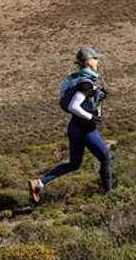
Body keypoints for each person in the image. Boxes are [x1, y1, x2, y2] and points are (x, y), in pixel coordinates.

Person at [29, 46, 114, 204]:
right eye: (95, 59)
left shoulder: (76, 78)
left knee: (74, 164)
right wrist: (90, 117)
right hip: (86, 130)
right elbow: (74, 106)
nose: (98, 61)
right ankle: (110, 197)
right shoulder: (86, 84)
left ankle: (39, 183)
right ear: (88, 62)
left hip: (74, 128)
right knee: (105, 159)